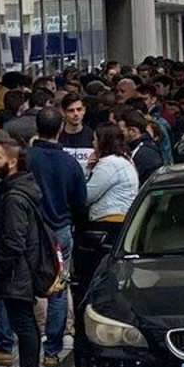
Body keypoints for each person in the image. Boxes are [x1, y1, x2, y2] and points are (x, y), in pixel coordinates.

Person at [23, 107, 87, 367]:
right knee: (58, 289)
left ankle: (15, 343)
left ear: (36, 128)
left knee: (20, 285)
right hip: (60, 231)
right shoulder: (70, 163)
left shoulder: (26, 158)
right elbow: (80, 202)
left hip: (28, 229)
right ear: (60, 128)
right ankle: (52, 349)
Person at [0, 142, 45, 367]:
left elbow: (14, 241)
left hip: (17, 273)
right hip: (20, 271)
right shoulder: (17, 191)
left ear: (12, 162)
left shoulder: (14, 198)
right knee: (24, 323)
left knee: (23, 324)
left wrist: (1, 268)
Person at [76, 124, 138, 308]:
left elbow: (87, 195)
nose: (93, 143)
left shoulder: (109, 164)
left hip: (106, 225)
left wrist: (87, 169)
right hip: (121, 223)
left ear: (103, 141)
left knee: (94, 275)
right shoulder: (125, 160)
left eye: (95, 139)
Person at [119, 109, 165, 182]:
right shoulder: (134, 148)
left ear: (133, 131)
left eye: (121, 131)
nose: (118, 134)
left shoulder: (147, 154)